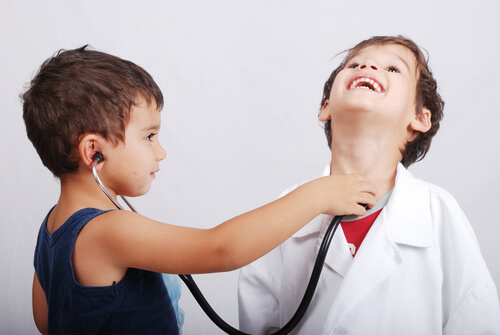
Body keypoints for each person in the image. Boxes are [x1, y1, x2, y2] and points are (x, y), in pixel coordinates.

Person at [22, 45, 377, 335]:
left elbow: (46, 321)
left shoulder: (53, 227)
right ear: (94, 152)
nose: (160, 151)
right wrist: (317, 195)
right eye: (149, 136)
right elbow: (221, 249)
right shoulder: (107, 230)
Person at [238, 36, 500, 334]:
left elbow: (475, 321)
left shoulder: (439, 214)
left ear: (419, 118)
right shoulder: (287, 211)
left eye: (392, 69)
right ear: (326, 108)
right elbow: (257, 322)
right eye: (354, 64)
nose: (368, 65)